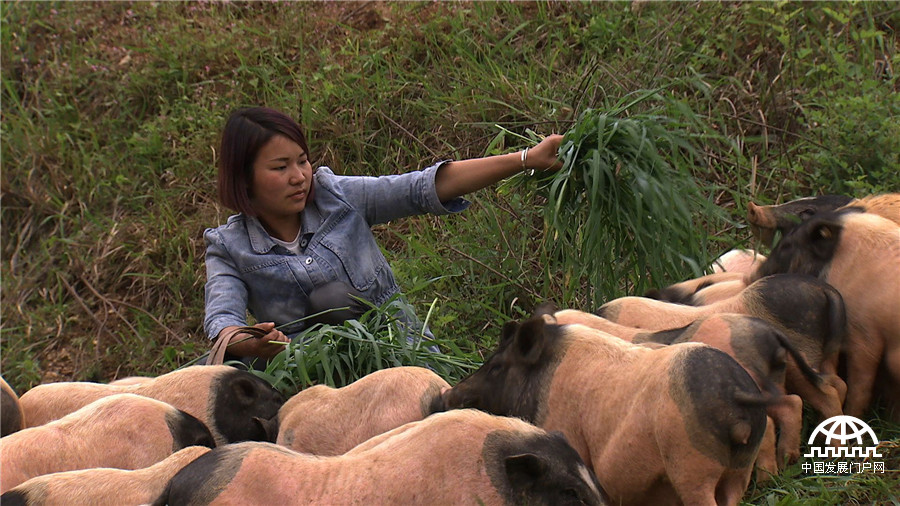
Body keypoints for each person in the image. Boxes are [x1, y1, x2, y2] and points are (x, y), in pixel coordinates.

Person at [203, 106, 563, 363]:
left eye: (302, 160)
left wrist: (526, 158)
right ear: (244, 177)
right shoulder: (229, 248)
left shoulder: (335, 196)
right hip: (317, 381)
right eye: (280, 167)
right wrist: (252, 344)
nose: (299, 176)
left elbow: (420, 188)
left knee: (332, 298)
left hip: (400, 354)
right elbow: (223, 324)